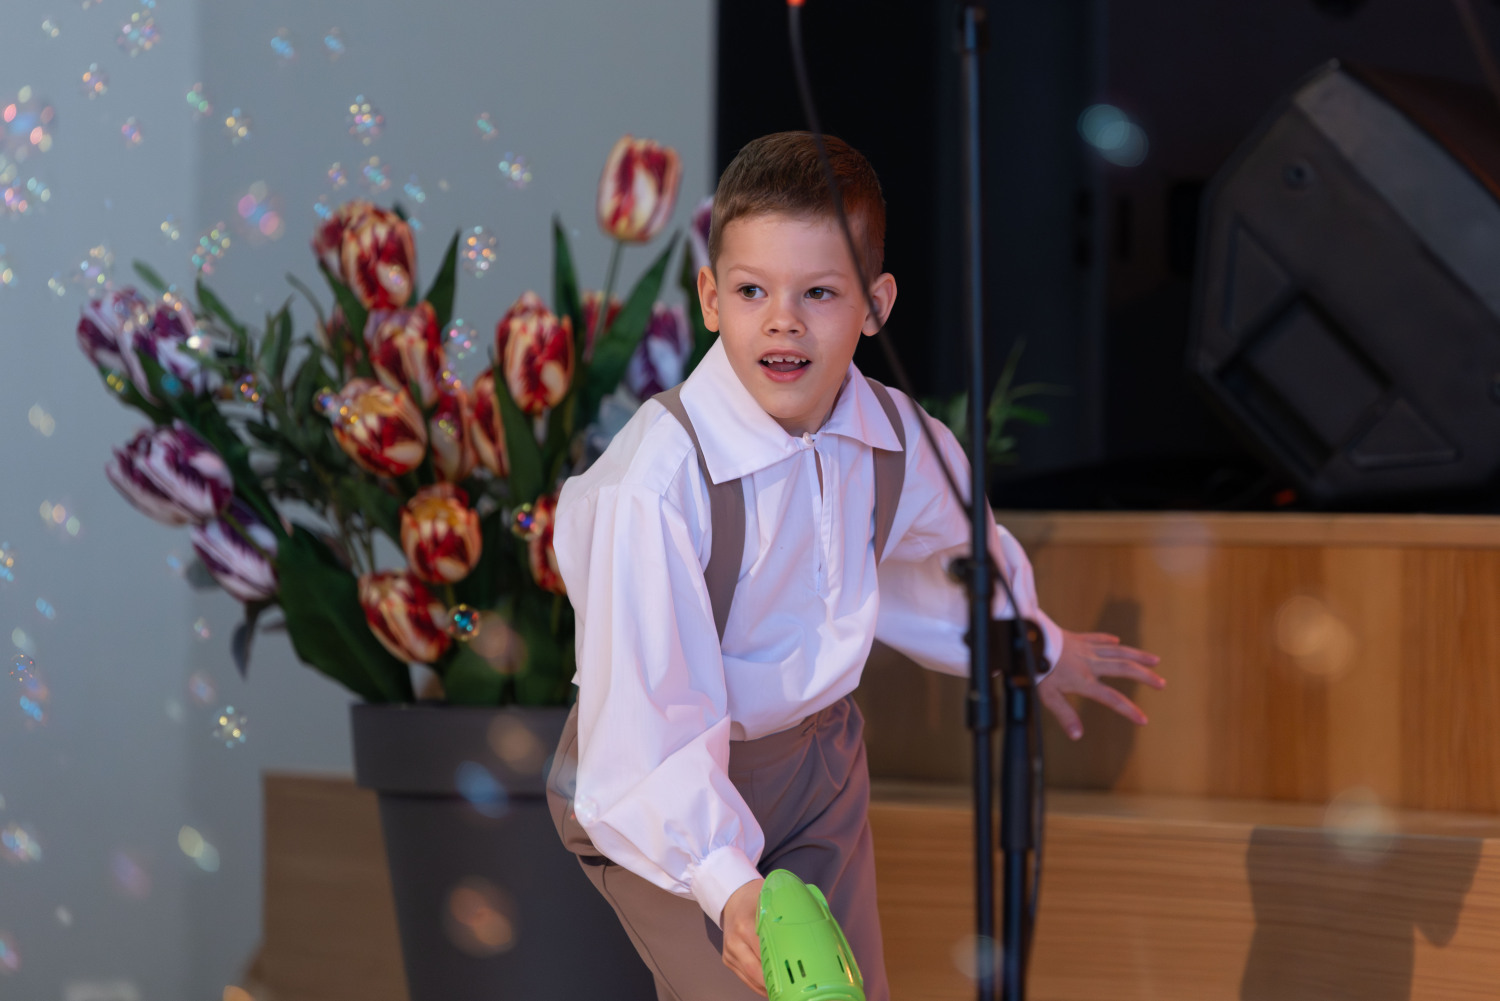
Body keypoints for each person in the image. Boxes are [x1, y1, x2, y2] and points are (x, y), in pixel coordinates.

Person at [545, 131, 1163, 1000]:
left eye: (820, 292)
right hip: (658, 777)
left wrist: (1032, 644)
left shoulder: (897, 439)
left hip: (819, 769)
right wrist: (729, 883)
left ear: (875, 304)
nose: (783, 320)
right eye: (753, 290)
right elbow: (645, 721)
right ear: (710, 298)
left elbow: (958, 559)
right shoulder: (654, 484)